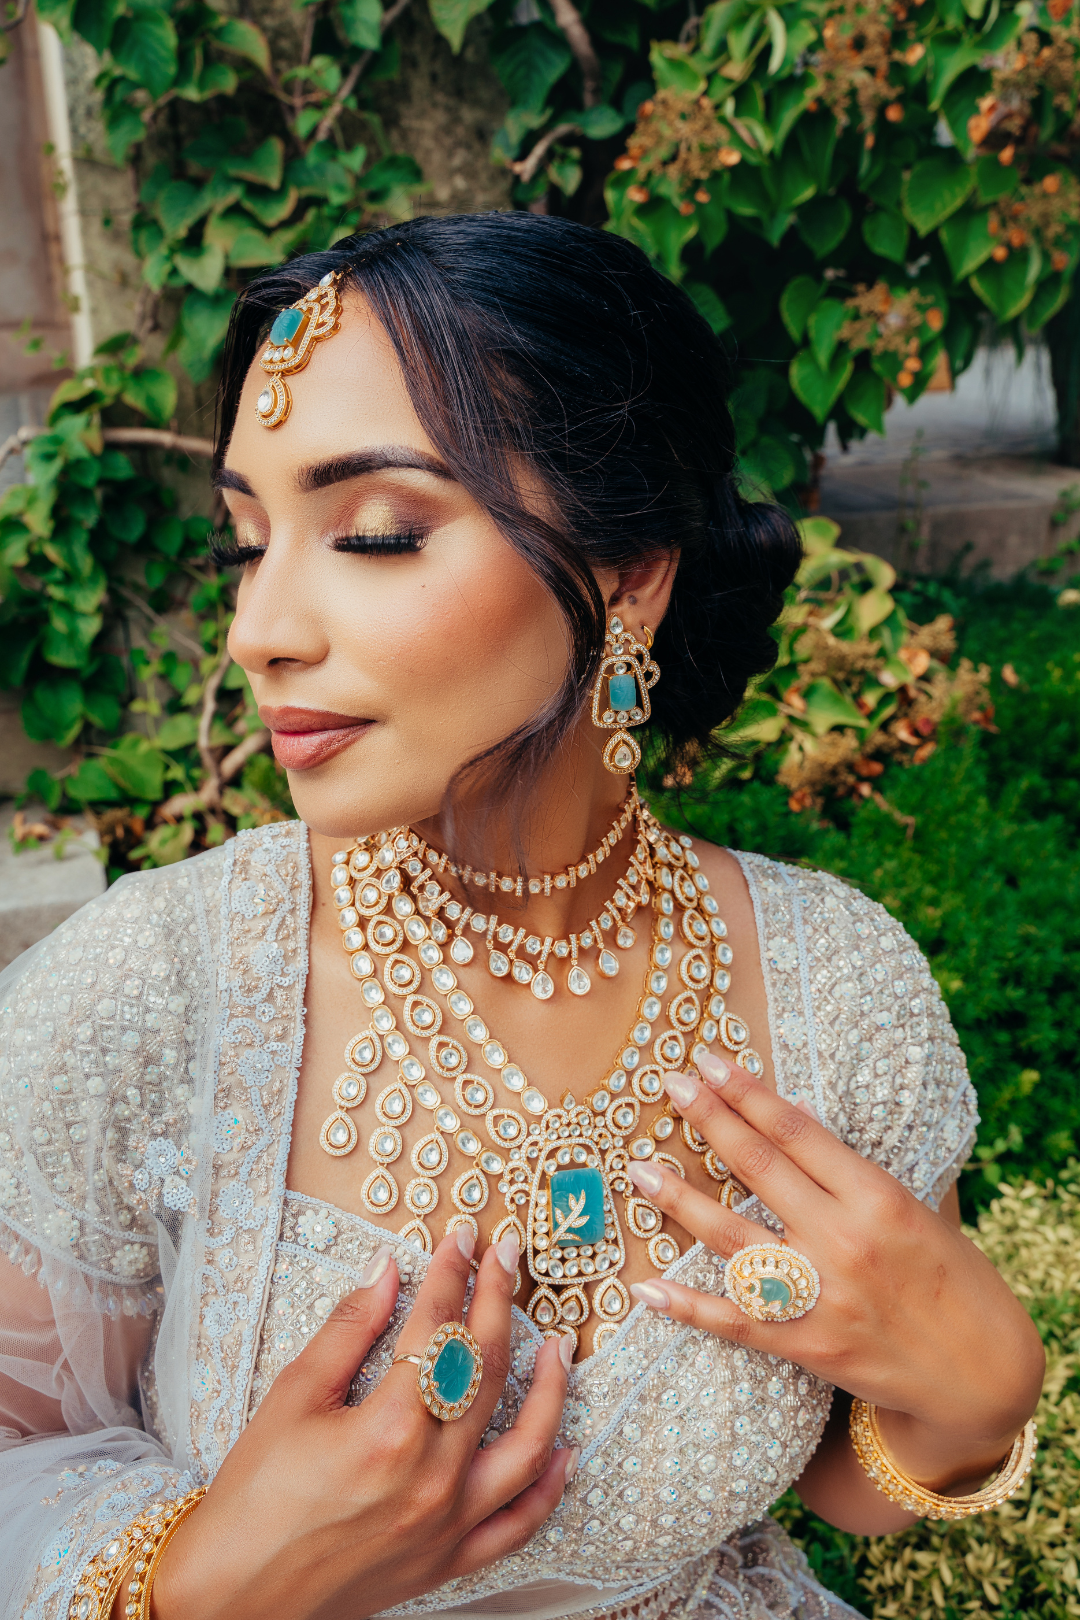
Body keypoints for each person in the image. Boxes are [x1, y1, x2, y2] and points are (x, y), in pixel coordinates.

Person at [0, 214, 1043, 1620]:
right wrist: (197, 1584)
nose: (257, 628)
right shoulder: (152, 988)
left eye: (371, 532)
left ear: (628, 575)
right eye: (247, 544)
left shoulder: (834, 986)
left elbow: (846, 1480)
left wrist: (969, 1409)